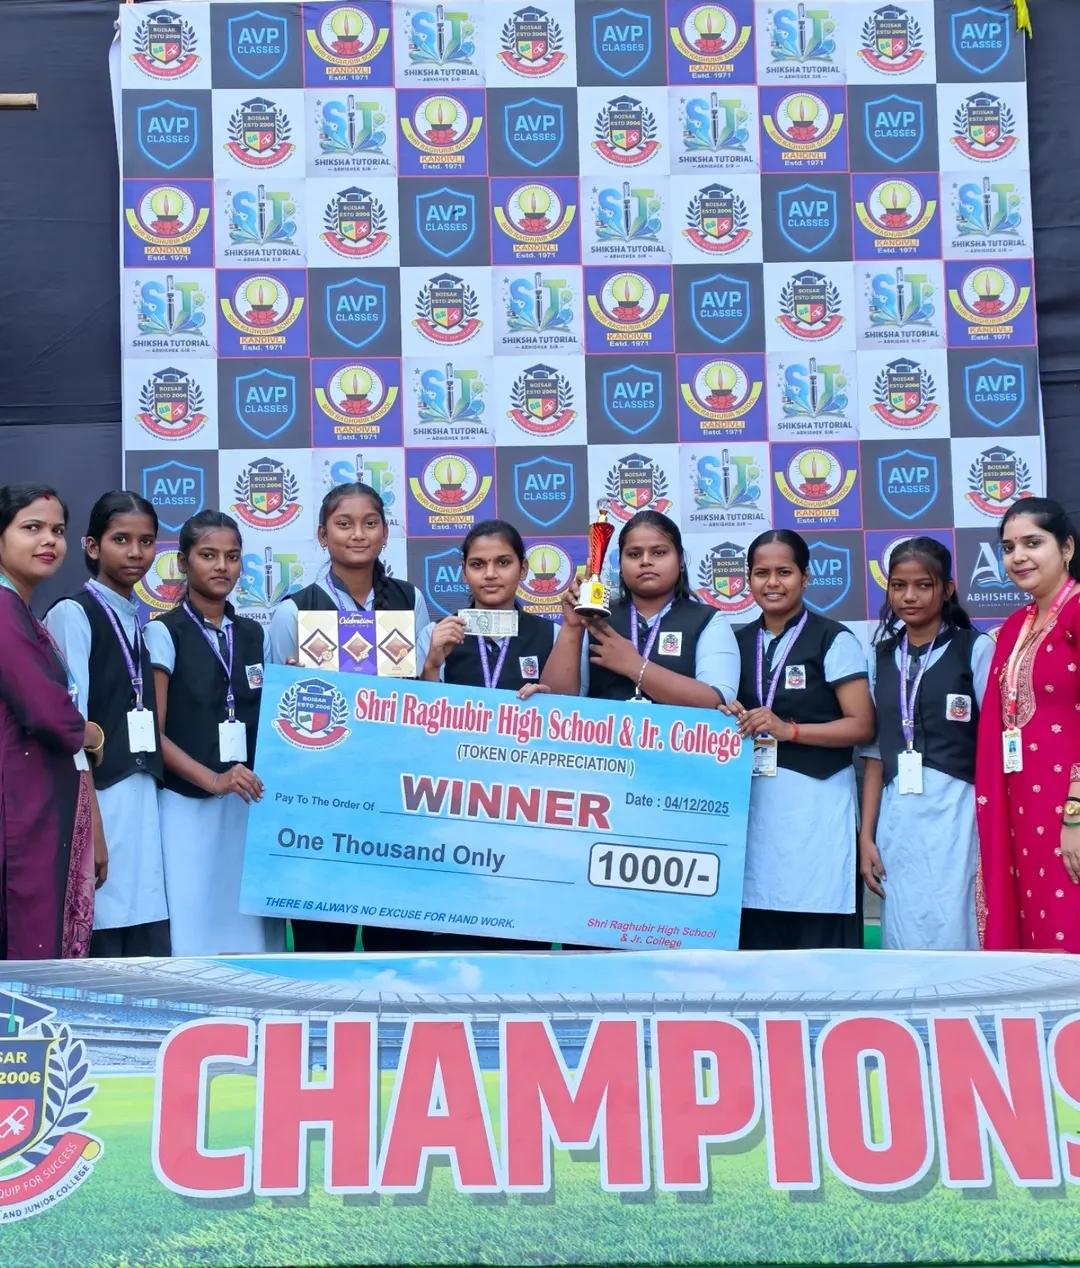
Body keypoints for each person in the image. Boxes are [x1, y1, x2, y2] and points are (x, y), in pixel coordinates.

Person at [268, 481, 430, 954]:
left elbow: (420, 691)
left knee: (397, 936)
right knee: (324, 939)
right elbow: (283, 718)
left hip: (393, 794)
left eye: (370, 523)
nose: (357, 534)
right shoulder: (293, 611)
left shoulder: (409, 599)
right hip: (323, 799)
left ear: (385, 534)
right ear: (322, 536)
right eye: (344, 524)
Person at [411, 519, 554, 954]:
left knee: (521, 937)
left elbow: (576, 723)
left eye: (502, 563)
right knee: (454, 941)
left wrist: (553, 705)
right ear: (463, 572)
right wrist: (433, 663)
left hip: (526, 811)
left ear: (523, 569)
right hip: (452, 810)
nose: (490, 574)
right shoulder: (436, 634)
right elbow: (413, 728)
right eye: (478, 564)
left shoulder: (553, 635)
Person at [726, 529, 874, 950]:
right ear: (748, 579)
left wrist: (789, 730)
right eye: (761, 573)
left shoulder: (833, 638)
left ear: (806, 578)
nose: (772, 583)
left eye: (784, 572)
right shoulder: (733, 643)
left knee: (817, 928)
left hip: (816, 811)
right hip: (753, 809)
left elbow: (862, 725)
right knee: (758, 931)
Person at [146, 510, 283, 956]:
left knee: (251, 929)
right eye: (208, 555)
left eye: (232, 556)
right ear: (183, 562)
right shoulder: (163, 632)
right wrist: (214, 780)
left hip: (248, 801)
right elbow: (153, 733)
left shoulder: (251, 632)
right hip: (188, 804)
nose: (222, 566)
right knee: (195, 924)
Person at [45, 492, 171, 957]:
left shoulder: (139, 620)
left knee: (141, 929)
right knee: (101, 923)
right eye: (121, 540)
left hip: (139, 797)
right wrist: (90, 821)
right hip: (99, 796)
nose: (136, 552)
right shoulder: (73, 614)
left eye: (146, 541)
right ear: (93, 547)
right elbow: (68, 728)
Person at [858, 537, 993, 950]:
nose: (909, 596)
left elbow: (997, 740)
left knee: (957, 918)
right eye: (898, 586)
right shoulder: (880, 656)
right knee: (904, 922)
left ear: (948, 589)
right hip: (899, 812)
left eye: (923, 585)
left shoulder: (976, 647)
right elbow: (875, 754)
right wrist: (867, 836)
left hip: (959, 807)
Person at [0, 484, 105, 958]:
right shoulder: (3, 612)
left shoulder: (18, 609)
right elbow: (46, 711)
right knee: (27, 949)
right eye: (31, 528)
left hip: (31, 803)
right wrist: (90, 732)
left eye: (58, 531)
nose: (49, 541)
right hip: (18, 811)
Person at [975, 497, 1080, 951]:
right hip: (1020, 807)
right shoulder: (1014, 626)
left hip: (1069, 805)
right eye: (1008, 546)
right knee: (1034, 931)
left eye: (1033, 543)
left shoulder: (1076, 613)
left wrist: (1075, 813)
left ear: (1067, 548)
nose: (1018, 557)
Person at [541, 510, 740, 706]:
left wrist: (634, 666)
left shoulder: (707, 620)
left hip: (676, 737)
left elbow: (718, 701)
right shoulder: (595, 616)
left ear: (680, 561)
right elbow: (554, 704)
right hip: (608, 737)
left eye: (659, 552)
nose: (646, 561)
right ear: (620, 564)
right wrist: (572, 628)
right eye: (634, 554)